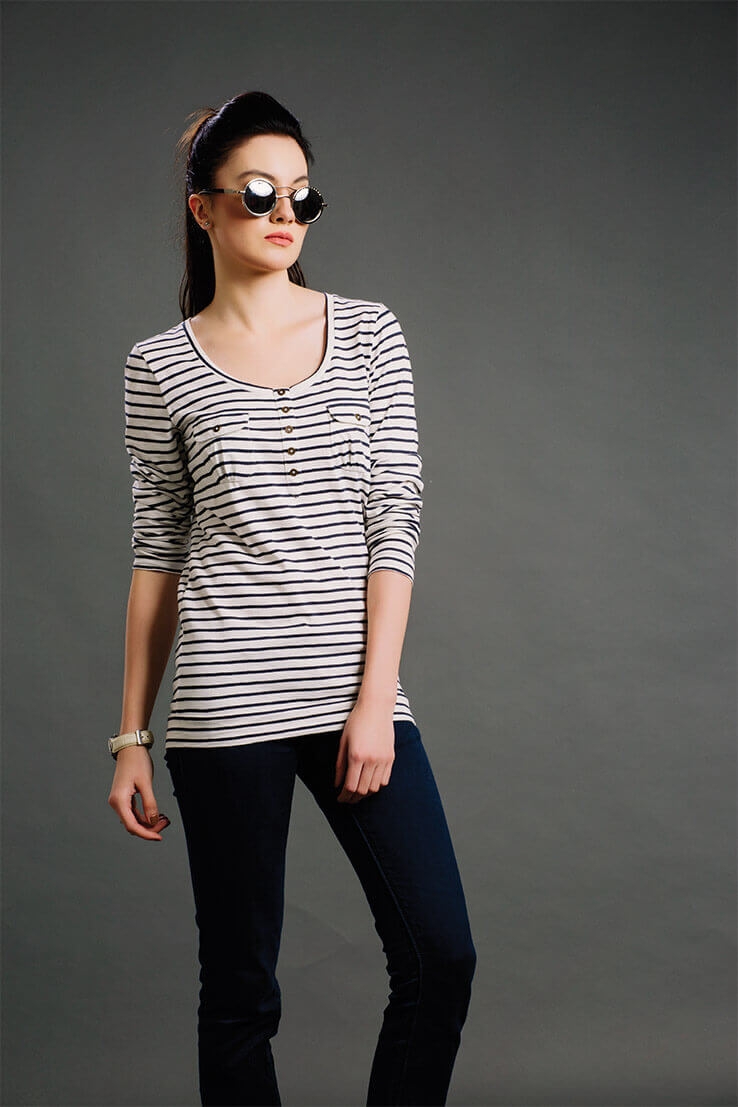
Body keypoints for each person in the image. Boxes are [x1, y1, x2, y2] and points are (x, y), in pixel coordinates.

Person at [107, 89, 476, 1107]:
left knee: (441, 955)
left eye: (303, 196)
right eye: (260, 192)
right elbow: (157, 551)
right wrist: (130, 736)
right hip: (224, 704)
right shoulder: (158, 365)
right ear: (203, 208)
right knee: (239, 992)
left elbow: (394, 517)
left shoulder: (370, 333)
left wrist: (375, 698)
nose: (285, 214)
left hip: (352, 691)